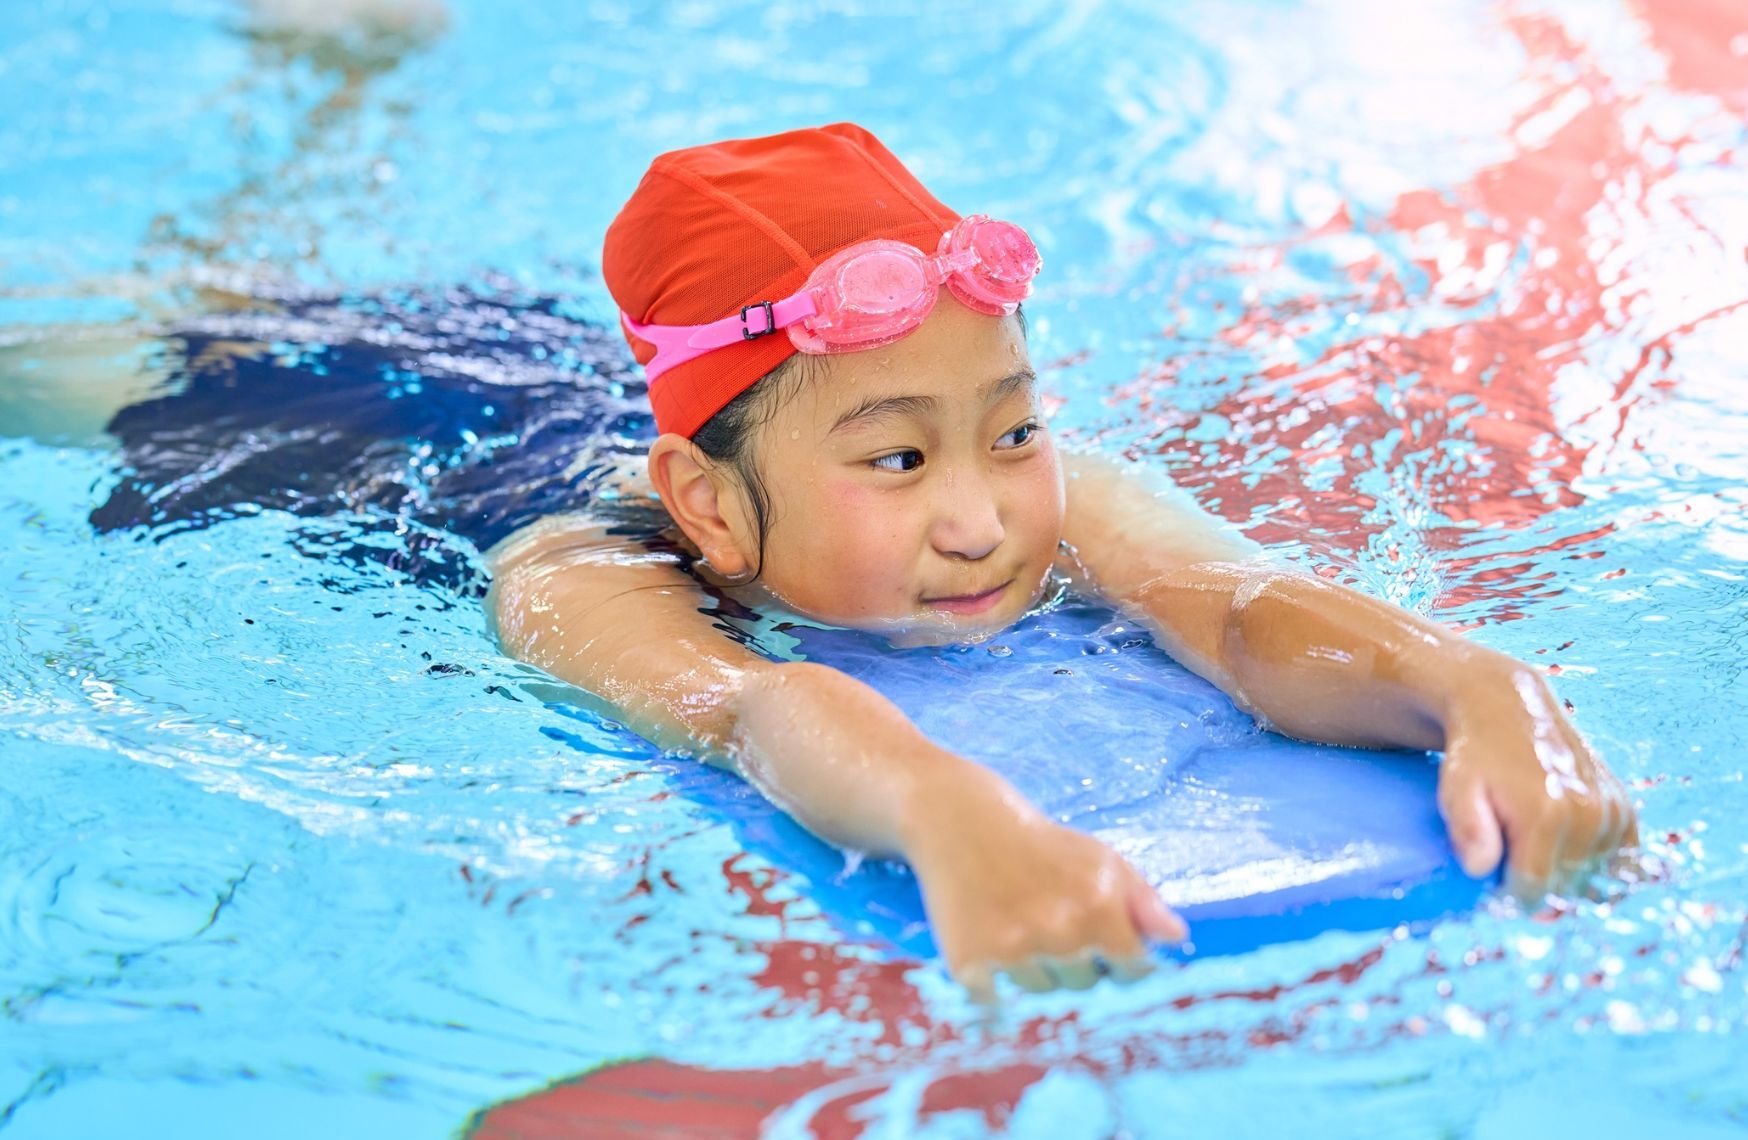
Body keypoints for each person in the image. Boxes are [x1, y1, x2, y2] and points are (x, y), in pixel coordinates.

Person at [486, 123, 1636, 1002]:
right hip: (399, 427)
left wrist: (1475, 684)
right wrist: (941, 805)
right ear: (708, 506)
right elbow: (745, 707)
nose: (979, 518)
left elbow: (1232, 610)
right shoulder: (577, 571)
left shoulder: (1060, 493)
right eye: (896, 459)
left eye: (1014, 432)